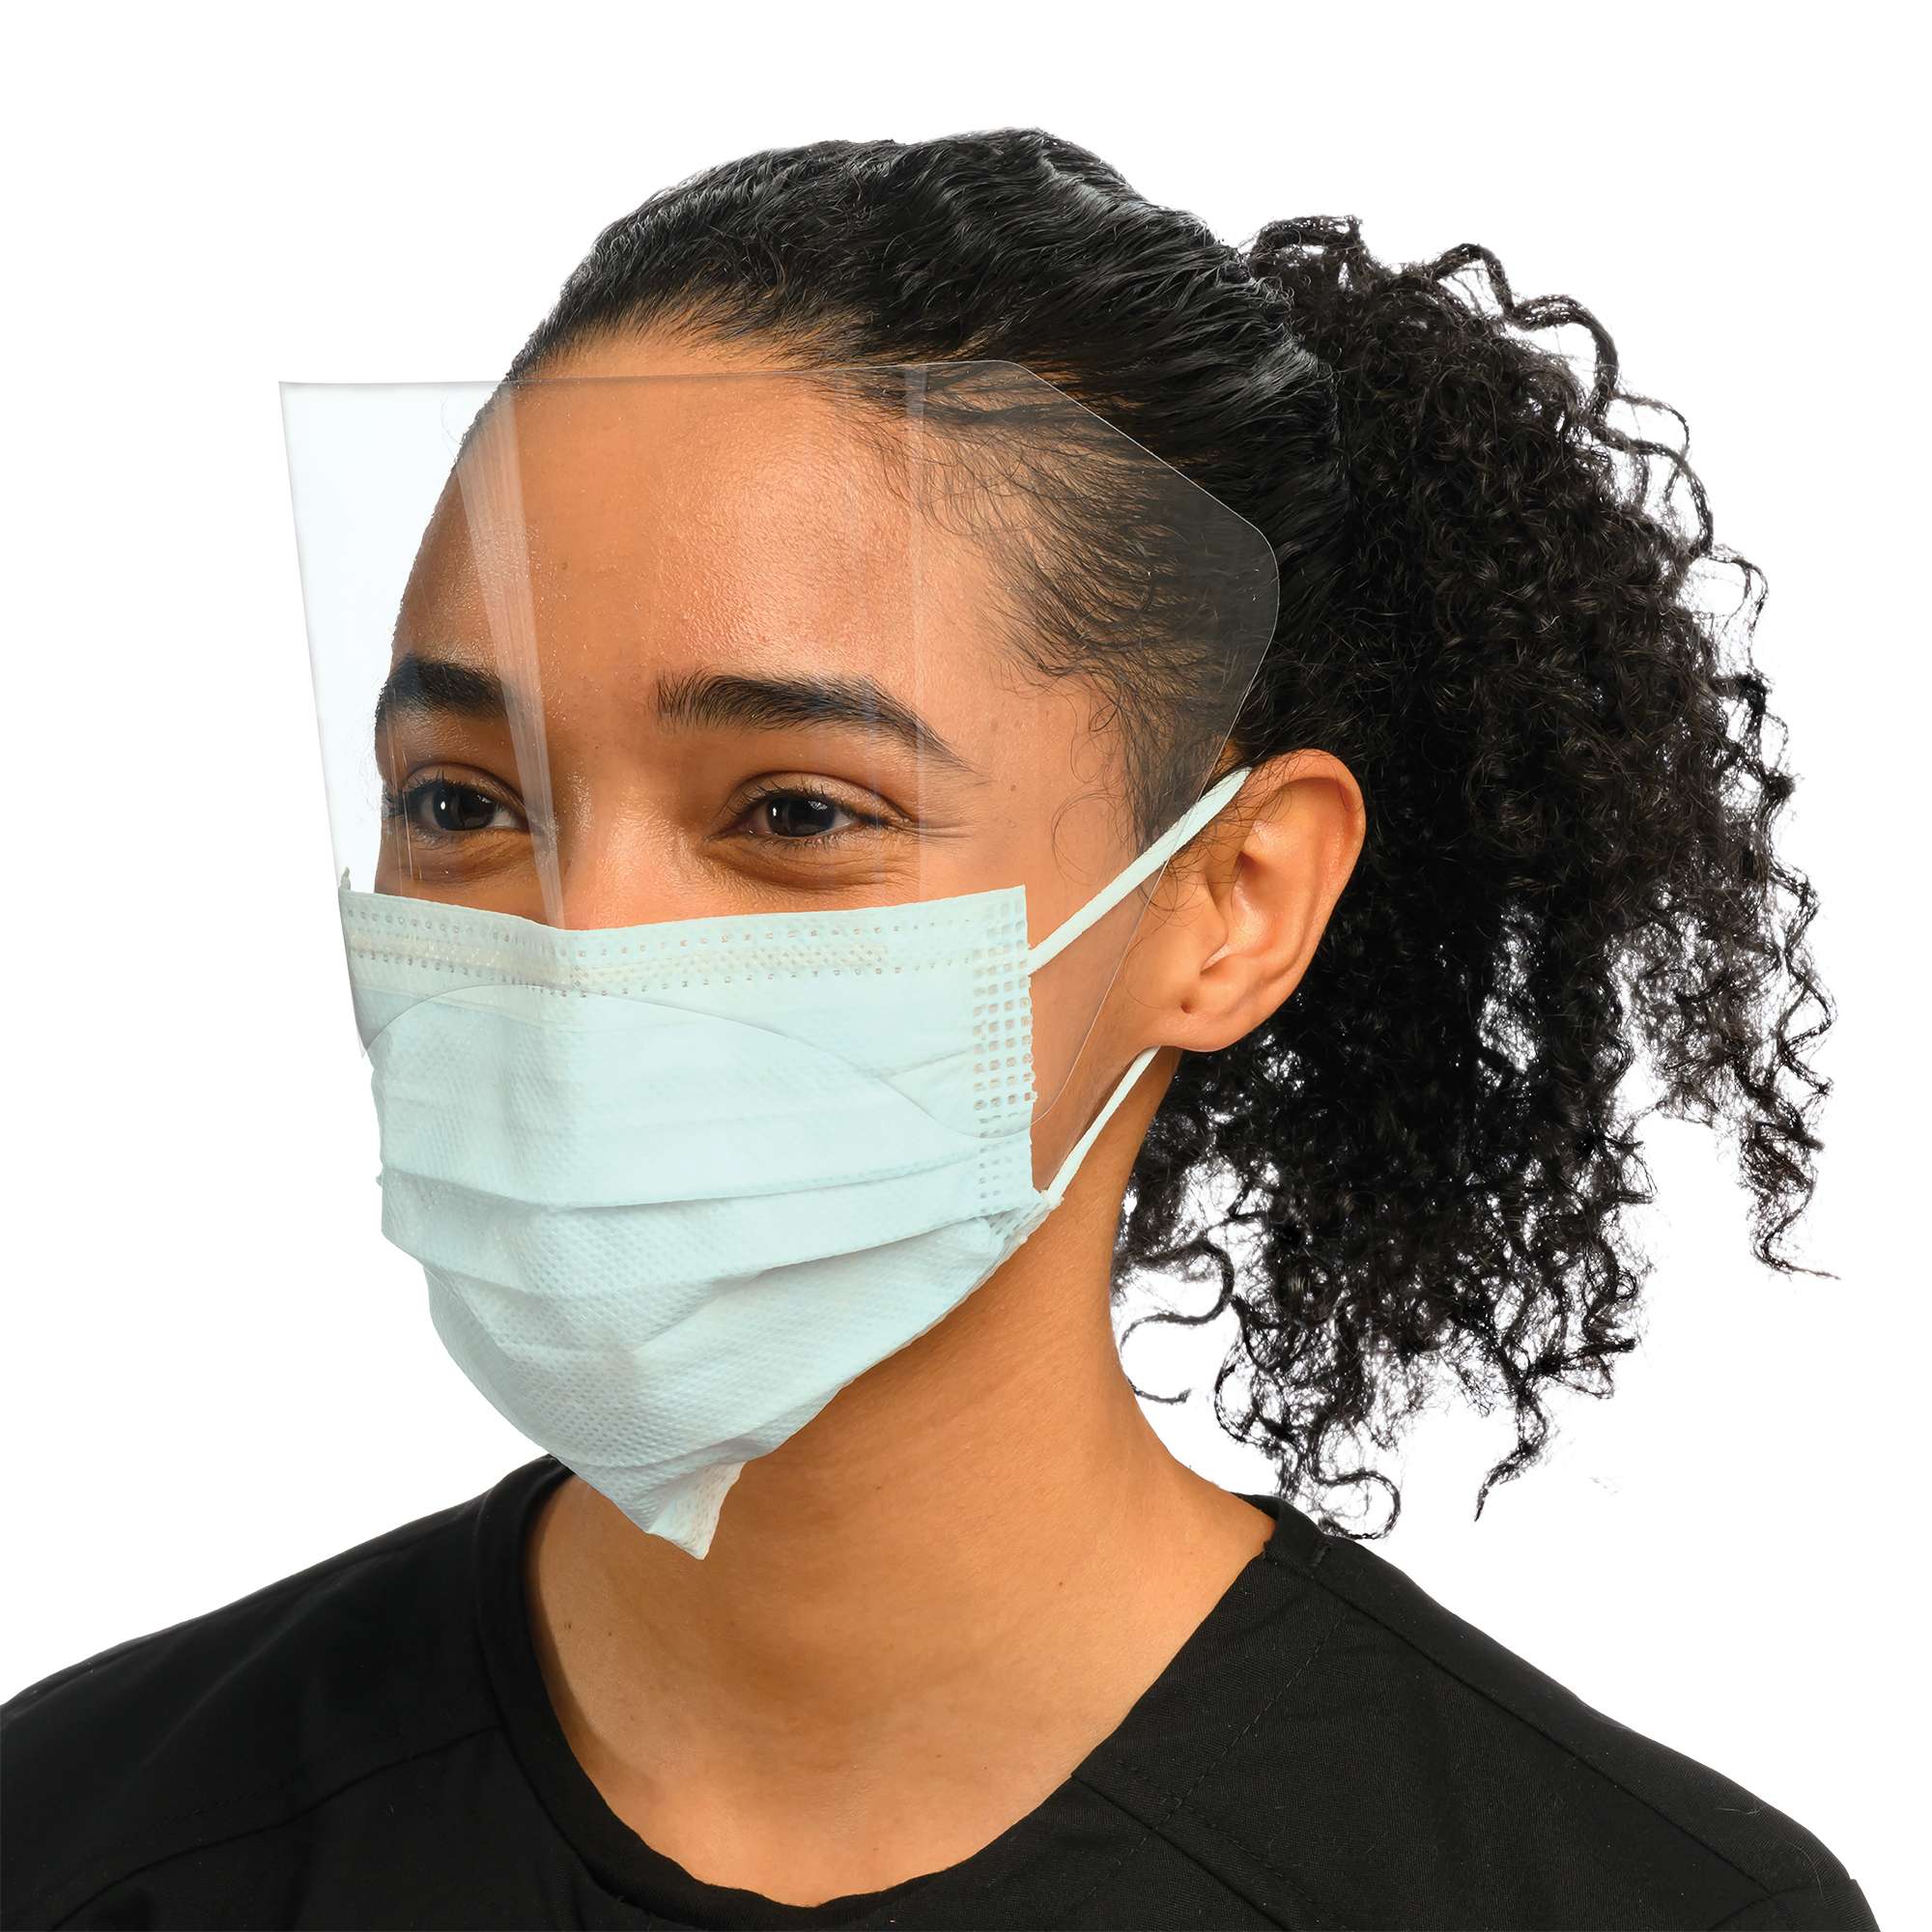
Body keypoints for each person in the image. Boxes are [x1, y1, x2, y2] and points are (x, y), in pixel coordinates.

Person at [0, 129, 1877, 1932]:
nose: (577, 956)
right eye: (462, 799)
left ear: (1231, 901)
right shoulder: (82, 1843)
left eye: (796, 809)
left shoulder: (1630, 1909)